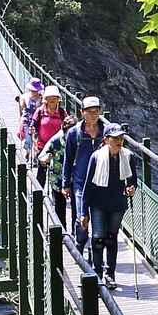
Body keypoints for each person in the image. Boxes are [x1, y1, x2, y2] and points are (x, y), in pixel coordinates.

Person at [80, 123, 137, 286]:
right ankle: (97, 272)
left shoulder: (128, 156)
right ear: (106, 140)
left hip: (118, 203)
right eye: (115, 139)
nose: (119, 142)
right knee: (98, 238)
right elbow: (88, 185)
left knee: (111, 239)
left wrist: (131, 189)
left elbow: (133, 180)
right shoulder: (97, 157)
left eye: (121, 138)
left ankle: (110, 274)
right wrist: (83, 211)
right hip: (98, 203)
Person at [63, 96, 107, 248]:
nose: (94, 115)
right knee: (81, 217)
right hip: (80, 182)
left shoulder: (106, 132)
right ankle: (80, 247)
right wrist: (65, 184)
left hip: (101, 183)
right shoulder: (74, 133)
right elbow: (68, 159)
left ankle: (96, 256)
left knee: (99, 220)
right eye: (90, 112)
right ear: (82, 112)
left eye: (96, 111)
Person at [39, 114, 78, 225]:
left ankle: (77, 232)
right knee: (60, 206)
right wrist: (45, 158)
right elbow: (42, 155)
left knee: (78, 206)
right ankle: (62, 232)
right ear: (64, 131)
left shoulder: (81, 140)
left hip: (76, 177)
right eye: (69, 133)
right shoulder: (56, 139)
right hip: (57, 177)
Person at [31, 85, 68, 184]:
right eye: (49, 97)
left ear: (58, 99)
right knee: (41, 172)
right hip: (42, 146)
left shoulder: (62, 112)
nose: (52, 99)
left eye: (54, 97)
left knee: (57, 172)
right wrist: (32, 130)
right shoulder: (40, 111)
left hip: (58, 147)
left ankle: (55, 196)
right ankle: (38, 195)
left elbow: (68, 126)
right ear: (45, 98)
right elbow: (33, 124)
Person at [15, 78, 44, 159]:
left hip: (38, 120)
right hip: (27, 120)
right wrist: (21, 102)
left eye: (36, 90)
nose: (35, 92)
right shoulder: (25, 97)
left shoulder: (42, 98)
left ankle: (35, 156)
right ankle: (27, 151)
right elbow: (21, 110)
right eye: (33, 90)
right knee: (28, 138)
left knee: (36, 138)